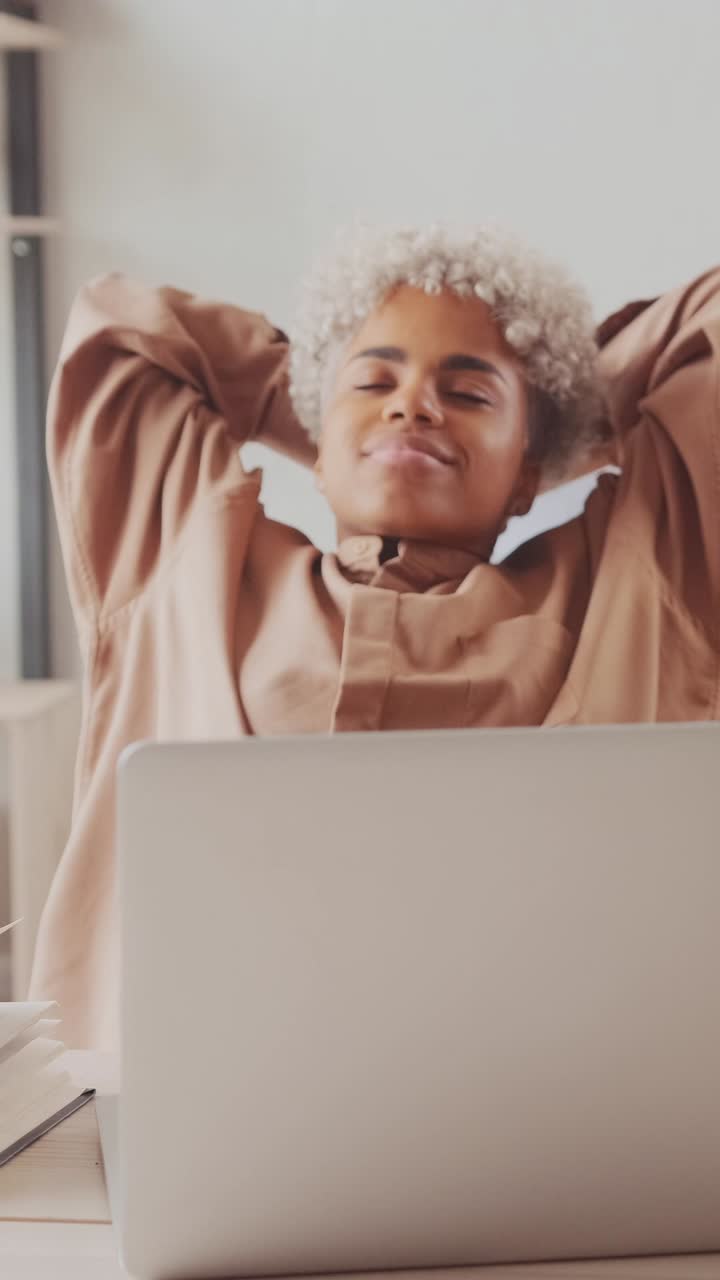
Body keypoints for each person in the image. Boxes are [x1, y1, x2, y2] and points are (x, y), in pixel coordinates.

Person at [29, 224, 720, 1049]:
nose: (414, 402)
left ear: (530, 473)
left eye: (468, 394)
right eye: (376, 381)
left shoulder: (639, 578)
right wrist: (342, 418)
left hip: (558, 1109)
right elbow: (120, 328)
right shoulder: (183, 557)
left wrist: (562, 418)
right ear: (314, 443)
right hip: (187, 1103)